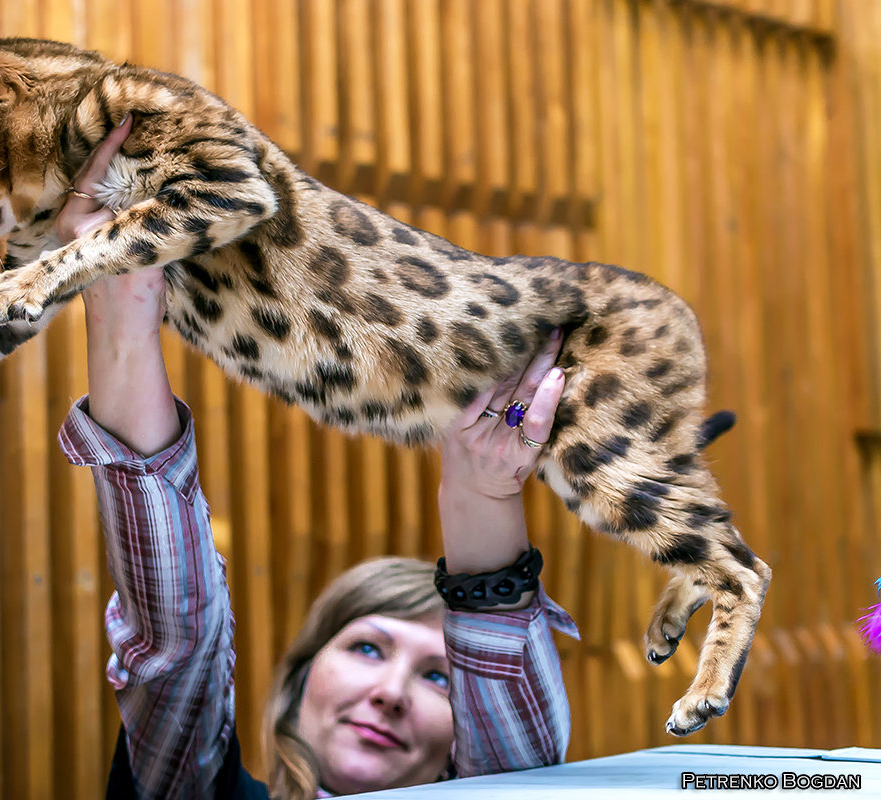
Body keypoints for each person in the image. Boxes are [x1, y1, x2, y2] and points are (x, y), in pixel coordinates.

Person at [54, 118, 578, 799]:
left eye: (440, 676)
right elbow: (176, 643)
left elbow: (519, 771)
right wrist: (123, 321)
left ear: (465, 735)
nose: (389, 693)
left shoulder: (495, 766)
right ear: (300, 680)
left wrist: (482, 492)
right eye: (367, 647)